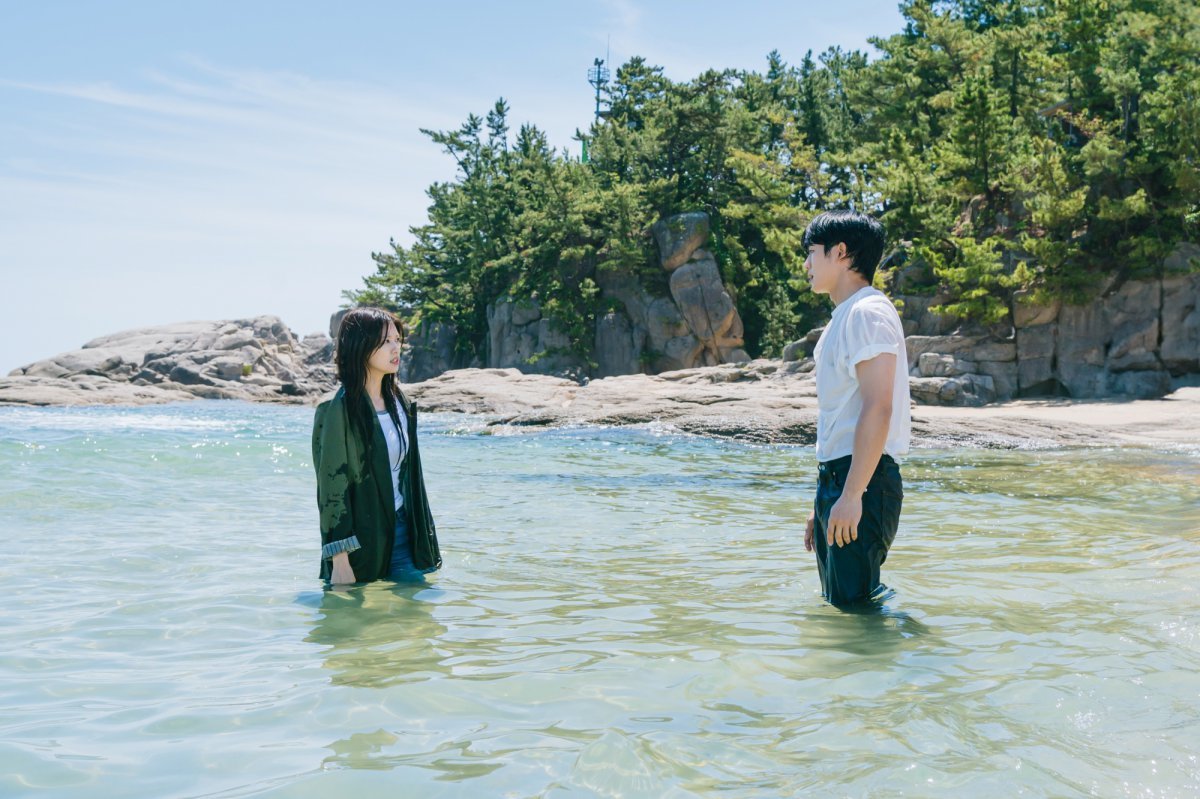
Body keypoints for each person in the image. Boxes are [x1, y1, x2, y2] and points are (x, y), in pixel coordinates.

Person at [801, 211, 910, 607]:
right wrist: (824, 502)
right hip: (841, 478)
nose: (806, 265)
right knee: (841, 606)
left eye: (812, 253)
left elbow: (878, 407)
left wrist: (851, 495)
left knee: (856, 610)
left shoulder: (867, 312)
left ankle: (894, 668)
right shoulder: (843, 318)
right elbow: (840, 414)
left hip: (863, 477)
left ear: (841, 253)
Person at [312, 307, 441, 586]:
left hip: (405, 532)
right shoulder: (335, 409)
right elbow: (332, 490)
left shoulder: (399, 402)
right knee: (352, 626)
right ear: (361, 346)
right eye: (386, 342)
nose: (396, 349)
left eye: (398, 340)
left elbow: (407, 475)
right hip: (360, 542)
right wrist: (339, 559)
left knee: (418, 621)